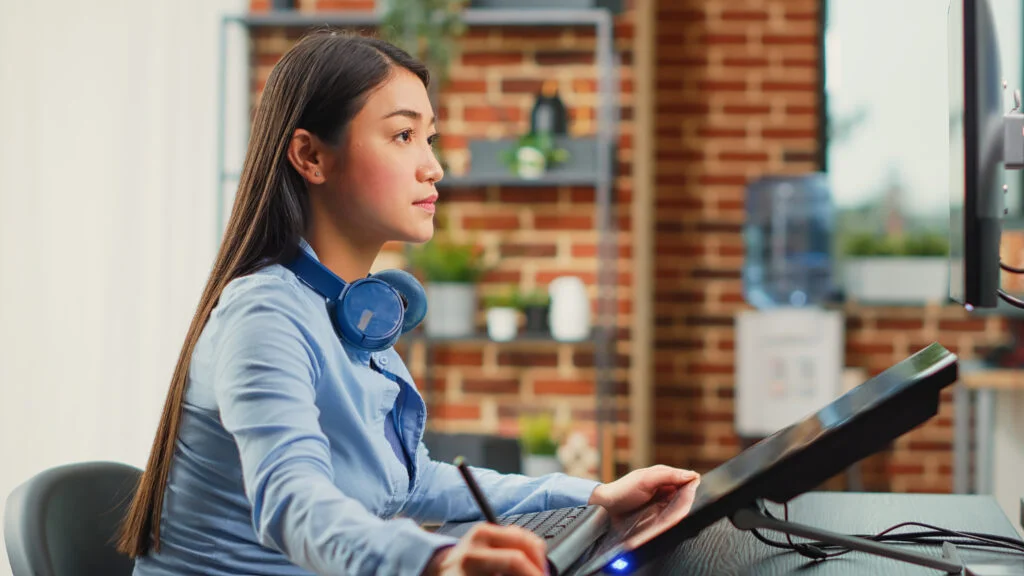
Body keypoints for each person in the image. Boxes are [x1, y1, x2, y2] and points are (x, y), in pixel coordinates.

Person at [118, 30, 700, 576]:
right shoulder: (264, 315)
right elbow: (293, 501)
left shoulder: (351, 310)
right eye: (402, 136)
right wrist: (437, 559)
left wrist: (593, 497)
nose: (433, 167)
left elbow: (411, 481)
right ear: (311, 156)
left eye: (430, 138)